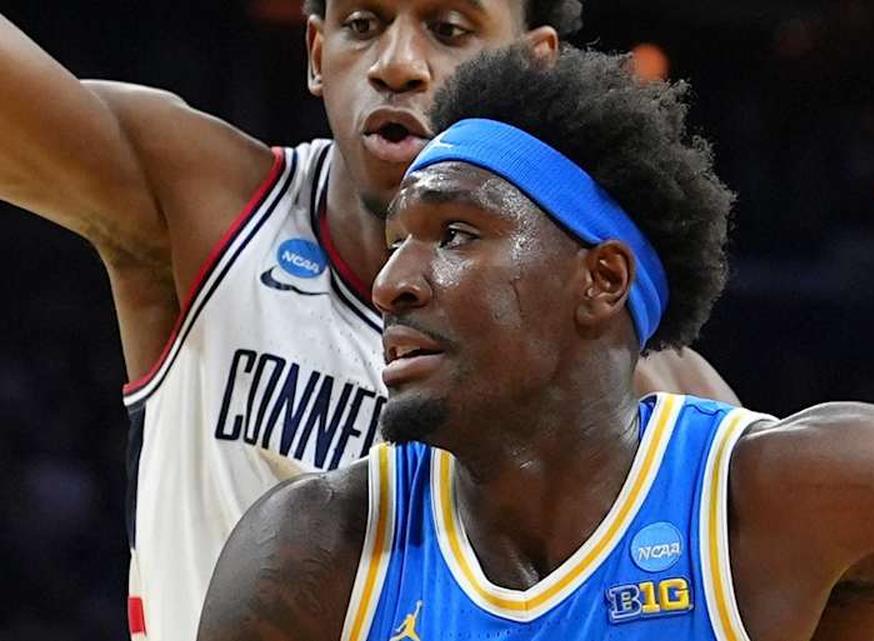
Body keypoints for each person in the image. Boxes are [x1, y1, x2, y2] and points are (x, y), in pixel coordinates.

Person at [198, 46, 874, 641]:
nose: (395, 278)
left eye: (453, 234)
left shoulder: (782, 497)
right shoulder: (313, 550)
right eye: (400, 236)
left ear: (600, 282)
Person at [0, 2, 738, 639]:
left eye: (449, 29)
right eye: (362, 24)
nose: (399, 64)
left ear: (530, 65)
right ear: (317, 53)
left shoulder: (634, 375)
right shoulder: (199, 205)